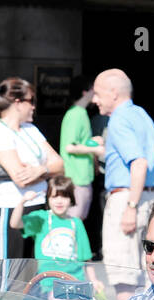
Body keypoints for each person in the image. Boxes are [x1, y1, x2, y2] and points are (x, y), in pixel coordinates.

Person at [92, 68, 154, 300]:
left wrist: (131, 206)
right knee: (150, 277)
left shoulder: (119, 119)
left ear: (113, 93)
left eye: (97, 93)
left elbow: (138, 163)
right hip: (150, 198)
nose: (94, 100)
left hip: (128, 199)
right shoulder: (142, 115)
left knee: (125, 279)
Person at [0, 76, 63, 260]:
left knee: (35, 276)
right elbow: (21, 177)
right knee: (10, 277)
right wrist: (46, 169)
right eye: (31, 101)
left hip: (38, 207)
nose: (33, 107)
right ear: (17, 103)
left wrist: (40, 170)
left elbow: (60, 164)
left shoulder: (31, 129)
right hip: (10, 209)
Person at [10, 174, 92, 279]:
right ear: (48, 198)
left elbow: (86, 257)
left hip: (73, 279)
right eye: (54, 196)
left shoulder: (76, 223)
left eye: (64, 196)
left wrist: (94, 280)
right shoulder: (41, 218)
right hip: (48, 280)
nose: (59, 201)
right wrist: (22, 202)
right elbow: (15, 224)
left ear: (71, 198)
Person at [59, 76, 102, 220]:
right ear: (85, 92)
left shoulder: (80, 113)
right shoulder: (76, 114)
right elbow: (70, 147)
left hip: (82, 178)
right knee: (73, 222)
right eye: (94, 90)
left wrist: (92, 142)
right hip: (76, 179)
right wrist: (96, 150)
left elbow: (78, 142)